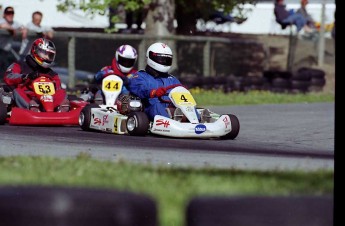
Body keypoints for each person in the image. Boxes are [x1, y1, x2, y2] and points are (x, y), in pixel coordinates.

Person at [126, 42, 208, 122]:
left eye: (167, 60)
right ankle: (169, 123)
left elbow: (180, 94)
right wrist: (153, 92)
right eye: (161, 59)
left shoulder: (172, 79)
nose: (164, 62)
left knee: (189, 105)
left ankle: (197, 122)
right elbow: (138, 89)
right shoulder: (140, 76)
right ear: (151, 57)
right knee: (157, 106)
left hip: (171, 109)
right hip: (148, 109)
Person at [3, 38, 69, 112]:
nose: (47, 57)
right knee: (17, 91)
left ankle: (60, 109)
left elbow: (58, 88)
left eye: (50, 55)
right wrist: (25, 77)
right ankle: (32, 108)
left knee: (62, 92)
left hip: (48, 99)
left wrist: (53, 85)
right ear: (35, 51)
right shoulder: (20, 66)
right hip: (27, 96)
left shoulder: (52, 74)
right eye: (45, 54)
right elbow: (8, 77)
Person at [0, 6, 28, 80]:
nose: (10, 14)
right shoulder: (2, 21)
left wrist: (24, 30)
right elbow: (2, 25)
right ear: (4, 14)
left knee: (9, 70)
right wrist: (11, 29)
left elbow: (22, 27)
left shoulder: (14, 23)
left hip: (6, 51)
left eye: (12, 13)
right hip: (0, 50)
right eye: (8, 13)